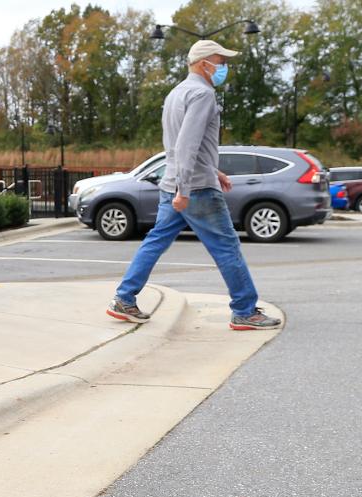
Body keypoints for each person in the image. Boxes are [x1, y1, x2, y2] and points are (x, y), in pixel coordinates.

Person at [107, 40, 281, 331]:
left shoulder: (176, 93)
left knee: (156, 241)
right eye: (220, 61)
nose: (224, 67)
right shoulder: (203, 94)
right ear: (204, 63)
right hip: (195, 189)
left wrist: (213, 171)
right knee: (227, 247)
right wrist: (185, 191)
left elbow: (177, 146)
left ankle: (124, 298)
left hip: (175, 183)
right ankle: (245, 311)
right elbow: (187, 145)